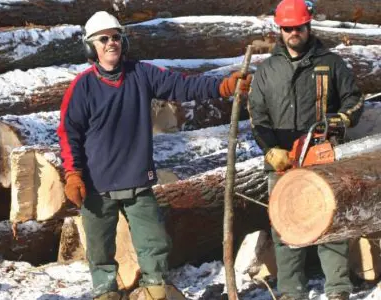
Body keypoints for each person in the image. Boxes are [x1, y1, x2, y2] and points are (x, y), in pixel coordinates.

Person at [57, 11, 252, 300]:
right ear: (90, 47)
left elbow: (183, 85)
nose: (111, 43)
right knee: (99, 249)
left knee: (154, 243)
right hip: (97, 185)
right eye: (103, 39)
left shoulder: (142, 74)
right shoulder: (82, 87)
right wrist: (73, 174)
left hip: (137, 179)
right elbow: (67, 132)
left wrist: (221, 86)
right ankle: (105, 293)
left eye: (116, 37)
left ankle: (155, 291)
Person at [247, 0, 364, 299]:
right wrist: (270, 149)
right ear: (280, 30)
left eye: (298, 27)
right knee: (286, 228)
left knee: (330, 223)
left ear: (308, 25)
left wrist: (341, 119)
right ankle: (290, 291)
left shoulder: (331, 63)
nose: (293, 33)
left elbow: (355, 100)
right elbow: (256, 117)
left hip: (323, 154)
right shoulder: (267, 70)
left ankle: (337, 288)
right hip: (283, 159)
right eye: (287, 28)